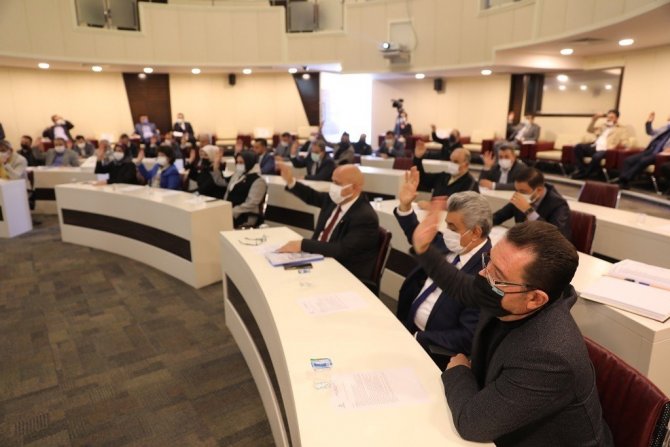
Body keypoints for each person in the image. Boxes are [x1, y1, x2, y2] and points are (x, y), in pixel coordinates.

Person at [411, 213, 613, 446]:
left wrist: (459, 370)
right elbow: (461, 286)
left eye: (497, 275)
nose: (482, 274)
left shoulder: (548, 356)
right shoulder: (505, 292)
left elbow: (473, 424)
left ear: (535, 299)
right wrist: (424, 249)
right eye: (489, 260)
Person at [395, 170, 491, 367]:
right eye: (446, 225)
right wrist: (405, 206)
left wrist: (418, 337)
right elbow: (419, 237)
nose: (447, 232)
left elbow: (466, 337)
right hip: (405, 327)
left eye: (453, 228)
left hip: (430, 350)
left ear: (476, 232)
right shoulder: (450, 244)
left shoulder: (486, 272)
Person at [276, 163, 379, 281]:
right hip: (317, 258)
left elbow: (342, 250)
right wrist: (290, 181)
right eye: (332, 181)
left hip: (341, 272)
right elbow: (311, 196)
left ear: (354, 188)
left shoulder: (365, 217)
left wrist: (302, 245)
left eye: (337, 183)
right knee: (279, 273)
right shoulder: (334, 200)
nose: (333, 187)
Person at [492, 167, 571, 239]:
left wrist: (529, 211)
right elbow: (498, 216)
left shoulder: (559, 205)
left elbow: (557, 236)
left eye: (523, 191)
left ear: (539, 190)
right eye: (516, 190)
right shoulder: (520, 196)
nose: (518, 194)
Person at [211, 150, 268, 227]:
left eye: (241, 162)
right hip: (229, 211)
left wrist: (232, 212)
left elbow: (251, 203)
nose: (238, 165)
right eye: (237, 162)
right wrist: (216, 166)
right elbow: (221, 182)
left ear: (249, 162)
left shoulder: (258, 181)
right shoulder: (237, 175)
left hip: (244, 215)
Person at [616, 112, 670, 189]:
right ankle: (623, 181)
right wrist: (649, 122)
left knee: (643, 161)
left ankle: (624, 180)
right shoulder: (666, 127)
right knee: (628, 160)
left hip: (660, 154)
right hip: (650, 150)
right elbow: (650, 132)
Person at [414, 141, 478, 203]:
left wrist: (432, 205)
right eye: (451, 160)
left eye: (456, 162)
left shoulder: (470, 183)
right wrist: (418, 158)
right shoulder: (443, 176)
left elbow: (461, 205)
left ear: (466, 165)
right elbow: (423, 179)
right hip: (432, 210)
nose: (452, 164)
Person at [571, 109, 629, 179]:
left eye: (611, 117)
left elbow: (625, 142)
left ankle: (586, 174)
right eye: (608, 117)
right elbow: (589, 130)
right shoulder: (603, 126)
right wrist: (594, 120)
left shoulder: (622, 129)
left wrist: (621, 146)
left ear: (616, 118)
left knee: (596, 156)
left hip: (606, 149)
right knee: (578, 147)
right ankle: (582, 170)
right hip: (595, 146)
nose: (609, 119)